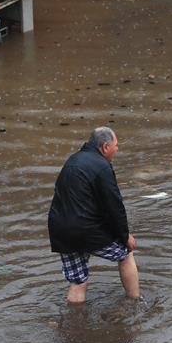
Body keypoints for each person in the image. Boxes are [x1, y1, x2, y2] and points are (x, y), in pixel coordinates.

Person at [48, 126, 140, 303]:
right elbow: (114, 207)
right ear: (105, 147)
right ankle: (135, 301)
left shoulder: (73, 160)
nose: (117, 149)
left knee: (78, 281)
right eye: (116, 145)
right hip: (86, 229)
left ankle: (75, 324)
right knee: (126, 254)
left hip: (61, 230)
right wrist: (124, 236)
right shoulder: (102, 166)